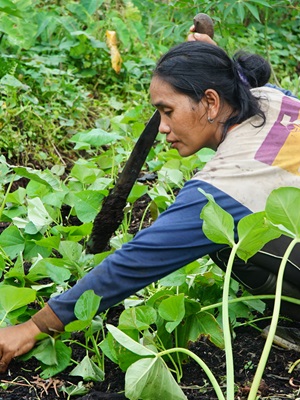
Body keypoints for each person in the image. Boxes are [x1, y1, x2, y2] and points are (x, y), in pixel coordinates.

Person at [1, 40, 300, 374]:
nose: (161, 127)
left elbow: (139, 260)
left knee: (226, 240)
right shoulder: (272, 97)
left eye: (167, 110)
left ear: (211, 102)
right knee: (231, 239)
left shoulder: (227, 184)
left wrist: (33, 327)